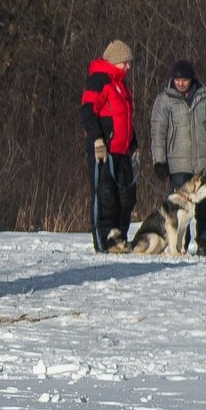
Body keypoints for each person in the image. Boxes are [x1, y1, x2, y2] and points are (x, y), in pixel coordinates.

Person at [147, 58, 206, 256]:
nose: (181, 83)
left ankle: (204, 244)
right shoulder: (164, 100)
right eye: (177, 80)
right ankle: (182, 246)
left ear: (192, 79)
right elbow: (158, 131)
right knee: (180, 212)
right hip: (178, 164)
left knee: (205, 208)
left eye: (185, 79)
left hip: (203, 162)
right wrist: (159, 160)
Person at [81, 39, 138, 252]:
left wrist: (134, 144)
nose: (128, 67)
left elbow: (126, 118)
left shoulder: (121, 85)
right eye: (125, 62)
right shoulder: (99, 80)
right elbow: (87, 112)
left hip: (122, 150)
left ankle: (119, 237)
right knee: (105, 196)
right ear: (114, 61)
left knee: (127, 197)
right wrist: (97, 139)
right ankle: (103, 241)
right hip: (103, 150)